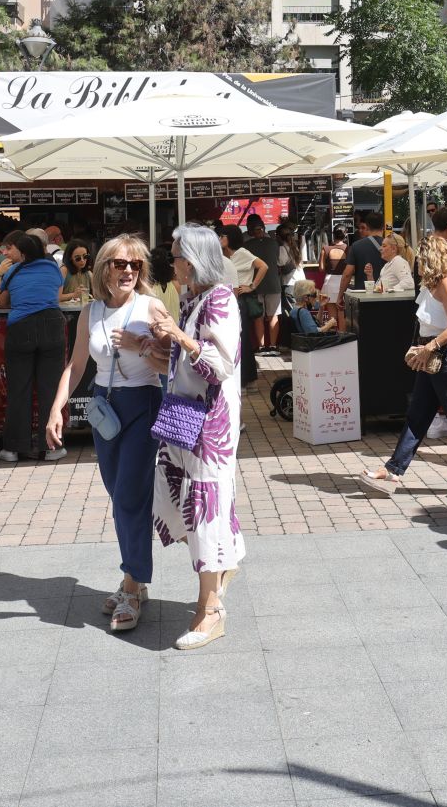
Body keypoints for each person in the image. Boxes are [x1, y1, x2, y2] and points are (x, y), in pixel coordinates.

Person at [47, 234, 163, 631]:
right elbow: (76, 366)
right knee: (118, 495)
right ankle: (133, 576)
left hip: (143, 404)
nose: (129, 271)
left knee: (131, 495)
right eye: (120, 264)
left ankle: (132, 584)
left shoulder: (151, 307)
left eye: (135, 265)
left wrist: (141, 345)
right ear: (103, 269)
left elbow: (175, 363)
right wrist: (56, 409)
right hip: (103, 407)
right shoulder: (90, 312)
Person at [149, 224, 247, 650]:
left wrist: (180, 337)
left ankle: (210, 609)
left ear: (192, 259)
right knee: (182, 500)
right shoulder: (195, 299)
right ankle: (226, 561)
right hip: (187, 420)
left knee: (204, 505)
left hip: (209, 424)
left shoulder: (220, 300)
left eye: (176, 256)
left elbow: (219, 366)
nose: (172, 263)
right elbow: (183, 364)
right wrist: (151, 345)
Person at [358, 233, 447, 499]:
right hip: (434, 354)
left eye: (421, 256)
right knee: (418, 414)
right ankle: (393, 469)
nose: (416, 261)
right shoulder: (431, 284)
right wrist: (420, 348)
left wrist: (428, 347)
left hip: (446, 355)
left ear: (433, 257)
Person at [0, 230, 66, 464]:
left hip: (21, 327)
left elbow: (1, 302)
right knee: (50, 390)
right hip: (52, 325)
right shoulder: (53, 269)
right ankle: (52, 448)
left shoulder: (13, 270)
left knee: (19, 389)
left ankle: (13, 449)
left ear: (24, 253)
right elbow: (56, 297)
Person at [244, 214, 284, 353]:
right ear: (264, 228)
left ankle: (261, 347)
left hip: (255, 285)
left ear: (250, 230)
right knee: (273, 316)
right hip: (274, 284)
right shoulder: (274, 243)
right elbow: (282, 262)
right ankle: (273, 346)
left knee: (258, 318)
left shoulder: (247, 246)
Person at [341, 211, 384, 294]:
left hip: (362, 294)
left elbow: (347, 274)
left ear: (367, 226)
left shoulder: (356, 246)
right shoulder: (392, 246)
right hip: (387, 294)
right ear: (383, 226)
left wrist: (340, 295)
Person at [58, 240, 94, 305]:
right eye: (78, 258)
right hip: (67, 313)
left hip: (84, 311)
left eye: (85, 256)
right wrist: (74, 295)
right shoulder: (64, 270)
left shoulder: (89, 273)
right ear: (70, 258)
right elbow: (57, 297)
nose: (82, 260)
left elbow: (98, 295)